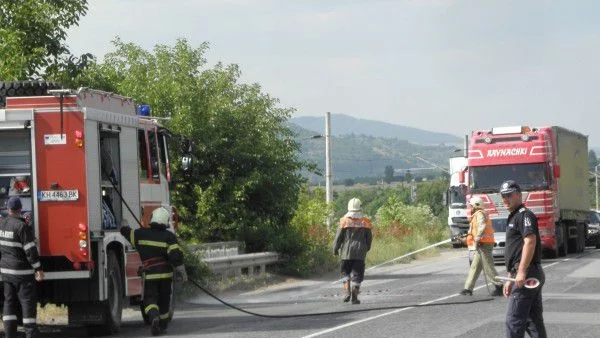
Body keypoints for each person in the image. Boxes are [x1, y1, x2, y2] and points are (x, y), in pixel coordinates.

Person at [120, 207, 187, 336]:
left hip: (150, 275)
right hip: (166, 276)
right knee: (164, 301)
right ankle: (162, 326)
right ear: (166, 222)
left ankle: (154, 317)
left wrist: (124, 224)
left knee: (149, 299)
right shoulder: (169, 236)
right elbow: (176, 256)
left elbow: (127, 232)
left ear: (152, 219)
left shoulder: (140, 233)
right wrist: (182, 272)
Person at [500, 180, 547, 338]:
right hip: (523, 272)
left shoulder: (524, 215)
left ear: (519, 195)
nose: (505, 199)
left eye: (509, 195)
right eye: (503, 196)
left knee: (514, 321)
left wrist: (520, 272)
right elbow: (515, 250)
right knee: (532, 321)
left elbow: (530, 240)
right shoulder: (513, 217)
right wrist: (509, 277)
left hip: (527, 272)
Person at [0, 196, 44, 338]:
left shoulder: (2, 225)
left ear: (8, 209)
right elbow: (31, 251)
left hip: (6, 273)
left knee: (9, 303)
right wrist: (38, 269)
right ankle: (31, 333)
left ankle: (9, 334)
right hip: (23, 274)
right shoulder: (22, 227)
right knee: (27, 305)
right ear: (20, 209)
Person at [459, 196, 503, 296]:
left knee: (488, 266)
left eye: (471, 205)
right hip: (481, 244)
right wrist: (464, 239)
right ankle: (468, 288)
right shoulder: (476, 215)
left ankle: (499, 286)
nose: (470, 207)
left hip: (484, 244)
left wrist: (478, 239)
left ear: (476, 205)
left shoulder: (480, 214)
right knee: (475, 266)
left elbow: (482, 226)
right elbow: (473, 233)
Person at [333, 197, 372, 304]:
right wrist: (366, 248)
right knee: (357, 275)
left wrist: (335, 249)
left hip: (346, 253)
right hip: (360, 253)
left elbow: (338, 238)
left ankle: (347, 292)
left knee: (344, 272)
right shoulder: (366, 222)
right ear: (360, 208)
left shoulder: (343, 221)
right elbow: (369, 239)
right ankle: (354, 296)